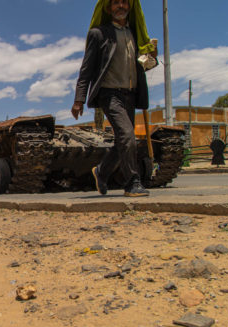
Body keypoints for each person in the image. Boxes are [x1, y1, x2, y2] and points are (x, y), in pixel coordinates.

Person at [71, 0, 157, 197]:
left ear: (130, 7)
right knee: (128, 136)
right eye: (116, 3)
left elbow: (146, 65)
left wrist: (151, 56)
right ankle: (132, 183)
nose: (121, 6)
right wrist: (79, 100)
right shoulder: (99, 34)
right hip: (109, 94)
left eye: (125, 2)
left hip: (130, 94)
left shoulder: (136, 35)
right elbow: (87, 69)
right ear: (108, 8)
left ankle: (101, 172)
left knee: (122, 142)